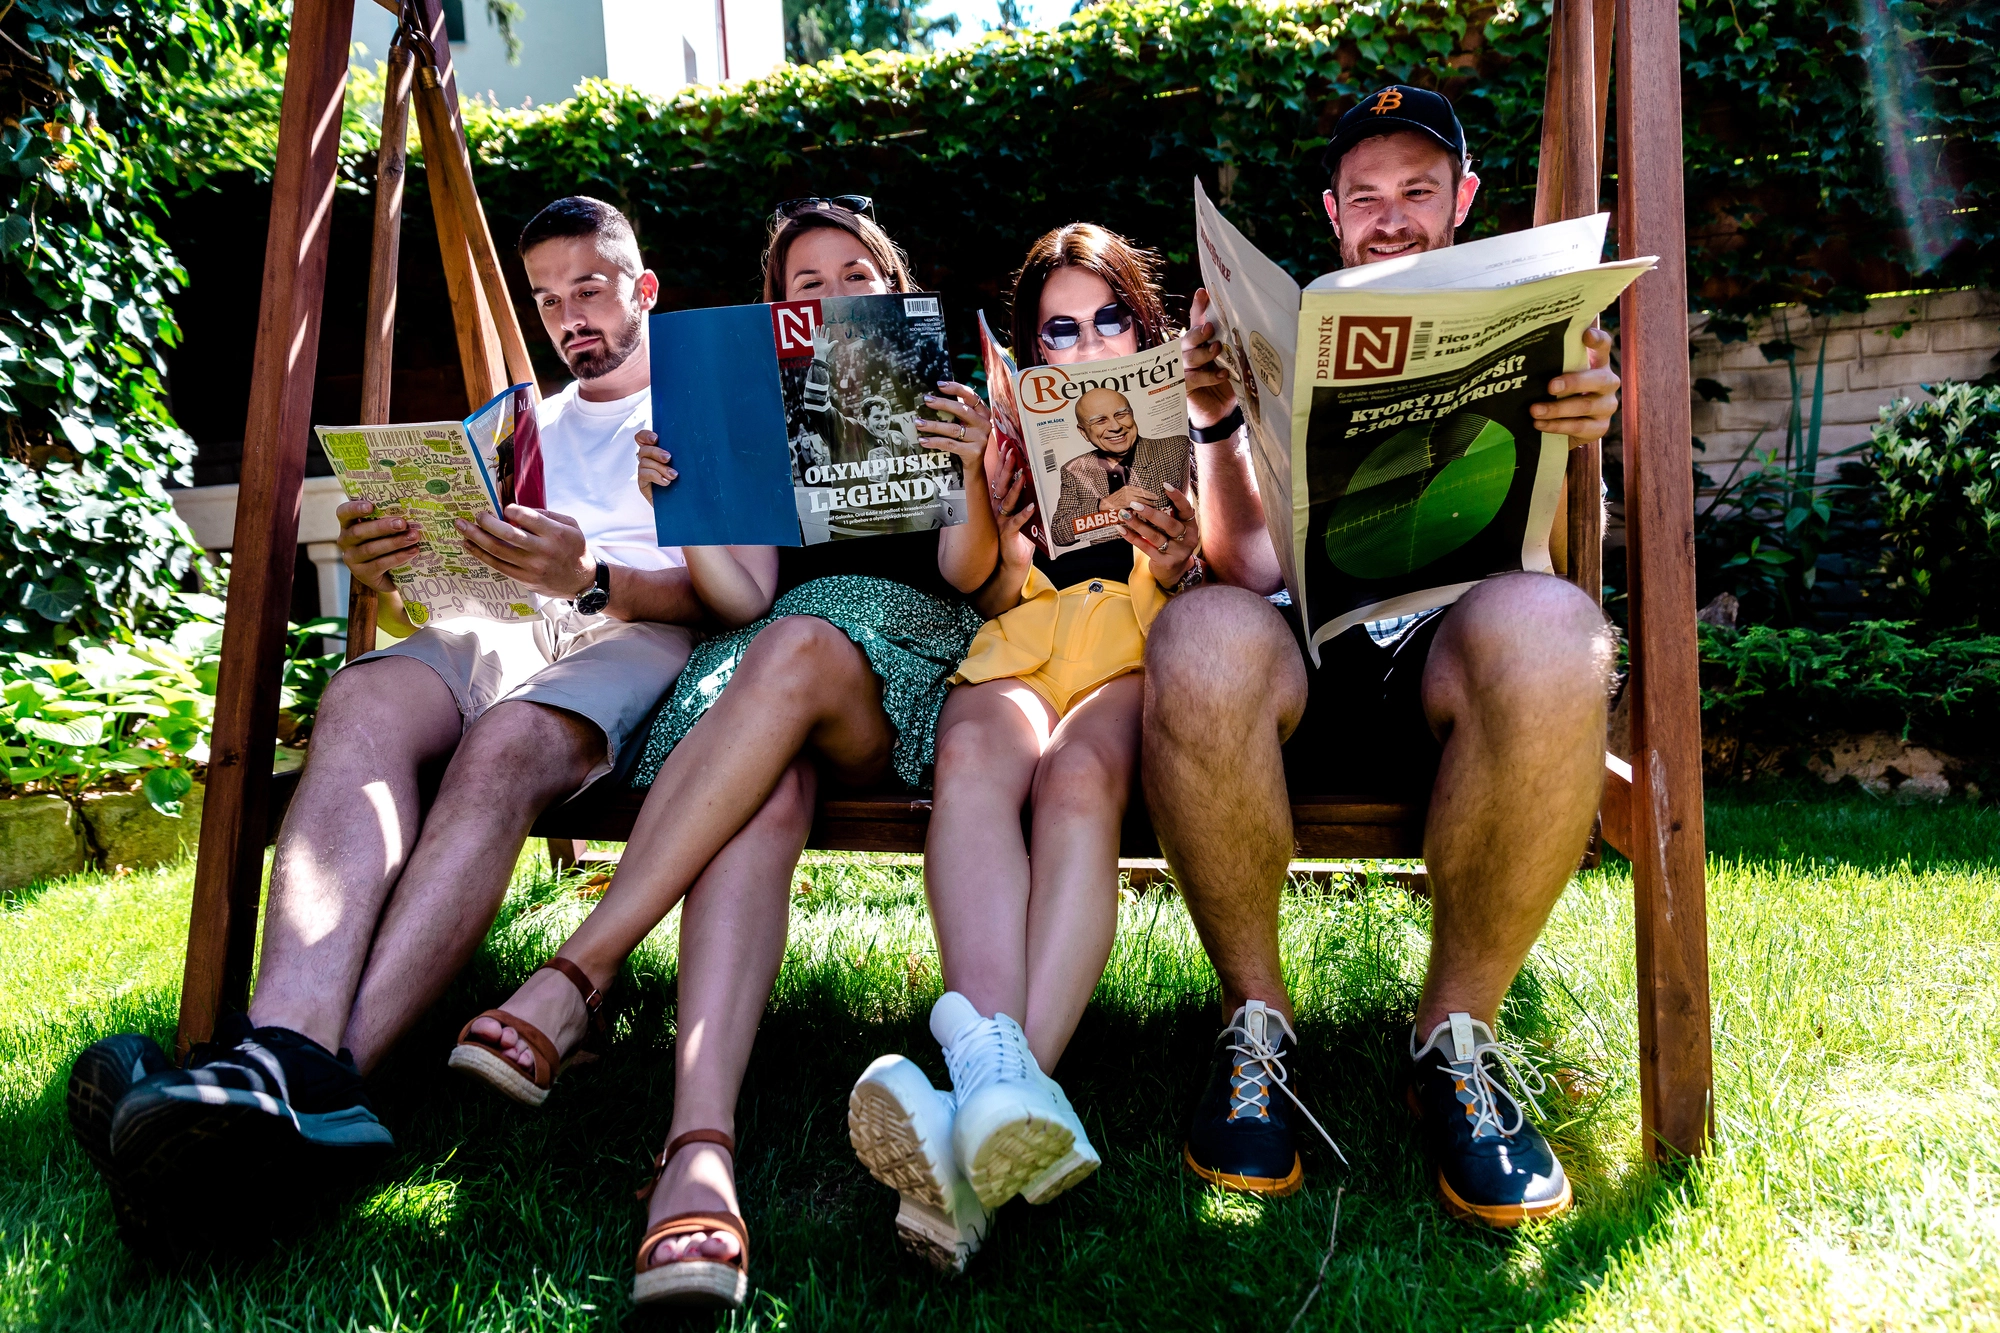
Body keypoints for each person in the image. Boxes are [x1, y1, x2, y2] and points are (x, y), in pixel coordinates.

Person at [64, 196, 777, 1235]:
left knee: (508, 743)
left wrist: (591, 578)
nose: (571, 315)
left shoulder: (707, 404)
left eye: (590, 287)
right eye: (549, 299)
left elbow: (732, 596)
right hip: (505, 622)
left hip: (635, 625)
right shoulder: (517, 422)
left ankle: (322, 1079)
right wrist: (392, 565)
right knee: (360, 694)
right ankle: (285, 1049)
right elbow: (456, 604)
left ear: (644, 288)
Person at [445, 196, 1003, 1310]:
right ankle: (697, 1153)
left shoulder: (949, 387)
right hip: (765, 674)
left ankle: (579, 970)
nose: (832, 292)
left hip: (895, 658)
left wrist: (973, 465)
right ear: (778, 313)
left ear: (891, 286)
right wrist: (685, 493)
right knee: (763, 777)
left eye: (855, 272)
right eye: (805, 284)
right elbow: (738, 595)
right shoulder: (749, 400)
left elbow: (973, 576)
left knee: (794, 645)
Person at [1153, 85, 1624, 1225]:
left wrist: (1580, 443)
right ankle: (1255, 1028)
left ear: (1461, 200)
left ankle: (1453, 1041)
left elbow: (1558, 562)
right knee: (1197, 633)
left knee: (1558, 627)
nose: (1392, 216)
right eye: (1365, 196)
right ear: (1330, 212)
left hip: (1450, 667)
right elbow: (1242, 564)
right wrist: (1216, 421)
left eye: (1418, 190)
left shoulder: (1529, 317)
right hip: (1305, 651)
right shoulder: (1288, 330)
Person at [846, 223, 1201, 1271]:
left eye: (1108, 320)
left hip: (1134, 647)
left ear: (1143, 328)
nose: (1085, 343)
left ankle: (980, 1111)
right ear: (1030, 350)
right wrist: (973, 481)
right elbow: (971, 581)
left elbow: (1240, 563)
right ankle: (1010, 1111)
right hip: (1018, 645)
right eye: (1059, 328)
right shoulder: (1011, 427)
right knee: (970, 763)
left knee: (1079, 777)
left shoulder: (1195, 412)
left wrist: (1180, 559)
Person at [1049, 385, 1191, 547]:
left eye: (1121, 414)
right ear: (1083, 432)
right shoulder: (1073, 469)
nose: (1116, 427)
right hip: (1105, 563)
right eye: (1100, 420)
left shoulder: (1175, 448)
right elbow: (1059, 534)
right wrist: (1103, 505)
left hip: (1164, 552)